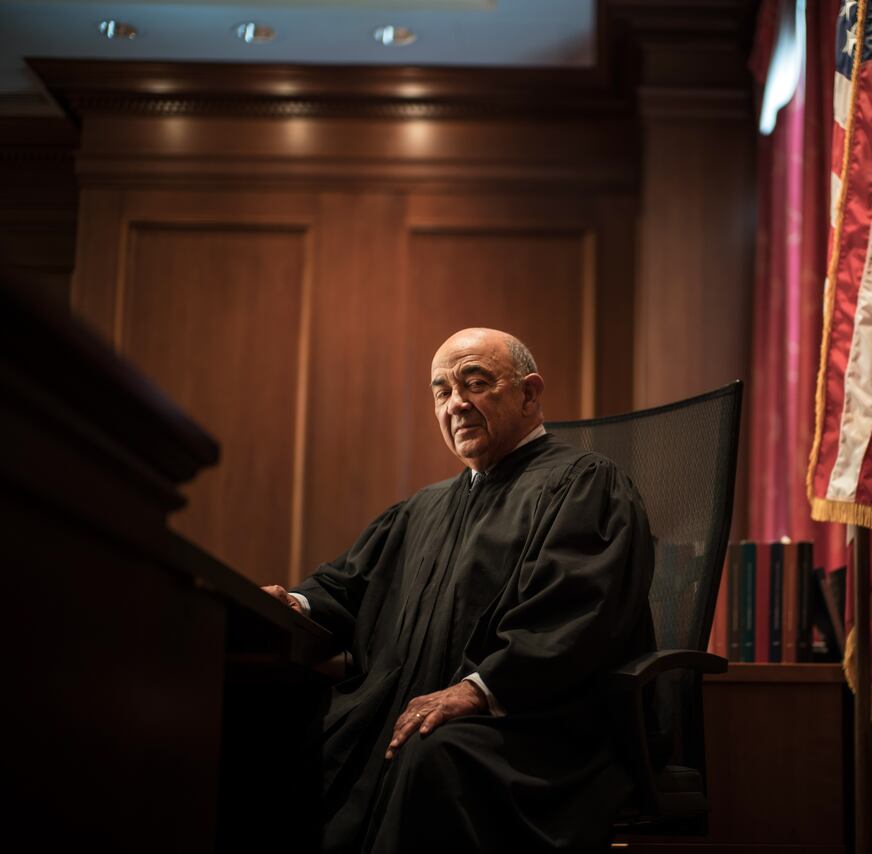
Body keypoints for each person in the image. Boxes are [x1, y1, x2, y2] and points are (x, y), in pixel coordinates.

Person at [261, 327, 655, 852]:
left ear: (529, 393)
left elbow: (575, 619)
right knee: (274, 727)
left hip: (531, 726)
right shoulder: (423, 507)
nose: (457, 404)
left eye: (476, 383)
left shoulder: (584, 484)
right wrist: (295, 603)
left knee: (432, 754)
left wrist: (477, 689)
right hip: (406, 712)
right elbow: (349, 583)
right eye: (442, 392)